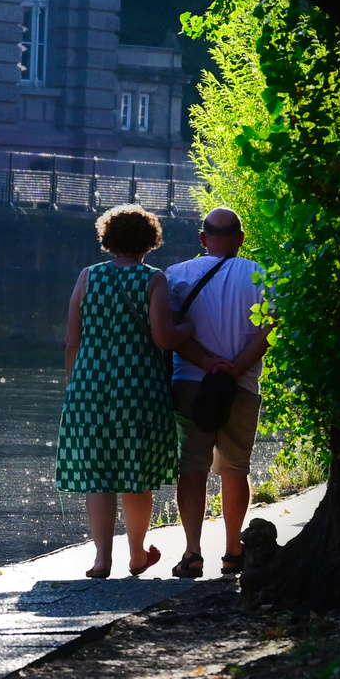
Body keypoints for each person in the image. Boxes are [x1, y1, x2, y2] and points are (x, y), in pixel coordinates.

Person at [57, 204, 193, 578]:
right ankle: (136, 555)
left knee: (98, 474)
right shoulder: (153, 279)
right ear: (149, 241)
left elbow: (73, 339)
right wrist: (189, 330)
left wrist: (75, 386)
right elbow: (163, 337)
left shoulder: (87, 277)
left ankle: (102, 559)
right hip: (138, 386)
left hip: (90, 384)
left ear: (108, 239)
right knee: (136, 471)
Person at [164, 207, 274, 579]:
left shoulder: (176, 275)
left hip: (191, 383)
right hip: (240, 387)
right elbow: (270, 329)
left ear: (202, 239)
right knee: (234, 469)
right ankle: (232, 551)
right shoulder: (261, 274)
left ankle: (193, 553)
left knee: (192, 469)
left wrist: (208, 362)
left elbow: (170, 332)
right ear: (241, 238)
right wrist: (236, 366)